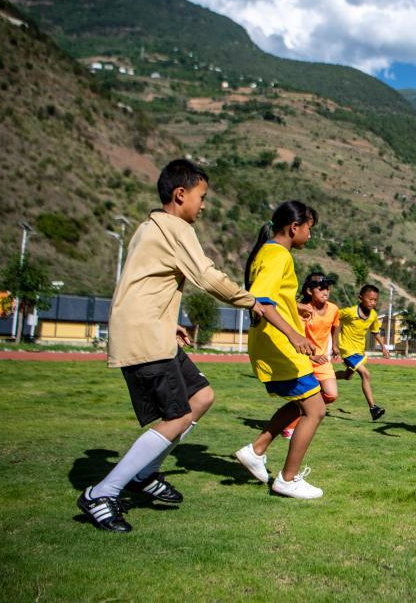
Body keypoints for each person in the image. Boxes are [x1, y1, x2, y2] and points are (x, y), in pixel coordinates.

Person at [77, 159, 313, 532]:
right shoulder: (175, 227)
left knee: (201, 397)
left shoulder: (151, 226)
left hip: (154, 330)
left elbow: (143, 282)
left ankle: (145, 473)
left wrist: (170, 323)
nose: (203, 206)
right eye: (201, 197)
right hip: (144, 336)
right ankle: (102, 492)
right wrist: (251, 301)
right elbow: (205, 276)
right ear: (180, 194)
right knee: (177, 416)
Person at [234, 201, 327, 500]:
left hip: (271, 341)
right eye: (309, 230)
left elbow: (273, 296)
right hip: (278, 343)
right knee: (316, 409)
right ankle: (288, 479)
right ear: (294, 227)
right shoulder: (278, 254)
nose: (310, 236)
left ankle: (256, 450)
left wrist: (293, 307)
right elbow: (260, 299)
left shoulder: (268, 251)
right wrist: (294, 336)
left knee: (302, 404)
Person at [281, 273, 340, 439]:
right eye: (321, 289)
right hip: (304, 359)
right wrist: (310, 356)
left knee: (331, 394)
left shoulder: (334, 309)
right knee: (305, 396)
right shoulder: (303, 311)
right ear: (309, 291)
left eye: (327, 288)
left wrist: (335, 344)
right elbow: (296, 337)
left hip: (322, 360)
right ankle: (291, 425)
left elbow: (336, 325)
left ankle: (302, 412)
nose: (325, 292)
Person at [336, 284, 391, 420]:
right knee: (365, 374)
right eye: (370, 299)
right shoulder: (350, 312)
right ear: (360, 298)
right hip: (347, 349)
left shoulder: (373, 315)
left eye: (375, 300)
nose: (373, 303)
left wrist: (383, 347)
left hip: (359, 350)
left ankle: (323, 377)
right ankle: (373, 408)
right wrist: (335, 343)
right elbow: (335, 319)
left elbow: (375, 332)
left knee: (347, 376)